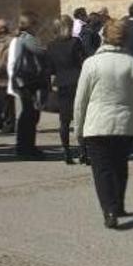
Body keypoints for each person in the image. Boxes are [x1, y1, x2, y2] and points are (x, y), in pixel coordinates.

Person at [74, 19, 133, 229]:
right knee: (120, 165)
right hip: (124, 122)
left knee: (102, 169)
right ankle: (118, 204)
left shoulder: (91, 63)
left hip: (96, 123)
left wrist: (78, 128)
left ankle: (109, 209)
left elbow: (81, 99)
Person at [8, 11, 48, 160]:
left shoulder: (21, 38)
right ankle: (26, 148)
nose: (38, 27)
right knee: (30, 115)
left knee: (28, 114)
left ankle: (26, 146)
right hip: (27, 81)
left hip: (23, 80)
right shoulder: (27, 38)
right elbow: (41, 52)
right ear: (30, 25)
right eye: (35, 24)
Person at [47, 15, 86, 164]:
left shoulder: (51, 46)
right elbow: (82, 62)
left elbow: (49, 69)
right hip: (76, 82)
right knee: (80, 118)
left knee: (64, 121)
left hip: (61, 84)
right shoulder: (75, 42)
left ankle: (67, 152)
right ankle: (83, 151)